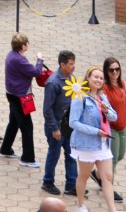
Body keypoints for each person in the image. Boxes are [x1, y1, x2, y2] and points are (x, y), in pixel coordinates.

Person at [70, 67, 120, 212]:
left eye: (101, 78)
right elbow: (73, 122)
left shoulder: (102, 96)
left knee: (108, 177)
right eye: (95, 77)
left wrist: (106, 110)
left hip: (103, 144)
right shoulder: (80, 97)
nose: (99, 80)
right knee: (84, 176)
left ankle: (112, 210)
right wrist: (96, 132)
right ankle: (80, 205)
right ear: (88, 78)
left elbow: (114, 117)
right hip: (87, 144)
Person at [0, 32, 44, 167]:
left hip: (12, 93)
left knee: (14, 122)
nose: (28, 45)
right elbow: (36, 72)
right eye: (27, 43)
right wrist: (40, 60)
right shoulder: (20, 60)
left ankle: (5, 149)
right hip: (20, 96)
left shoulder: (11, 55)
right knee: (27, 127)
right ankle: (28, 158)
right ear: (23, 45)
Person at [41, 51, 78, 197]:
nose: (73, 66)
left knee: (71, 155)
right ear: (62, 64)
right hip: (56, 125)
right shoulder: (53, 82)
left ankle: (71, 185)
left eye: (74, 63)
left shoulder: (72, 79)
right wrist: (55, 128)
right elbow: (47, 109)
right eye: (71, 64)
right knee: (54, 153)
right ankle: (48, 181)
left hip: (69, 125)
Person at [100, 57, 126, 202]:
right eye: (111, 70)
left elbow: (125, 103)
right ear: (107, 71)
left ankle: (100, 176)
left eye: (117, 69)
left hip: (123, 125)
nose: (115, 72)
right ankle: (108, 187)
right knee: (112, 158)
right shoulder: (105, 88)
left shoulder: (121, 83)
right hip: (111, 127)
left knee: (120, 155)